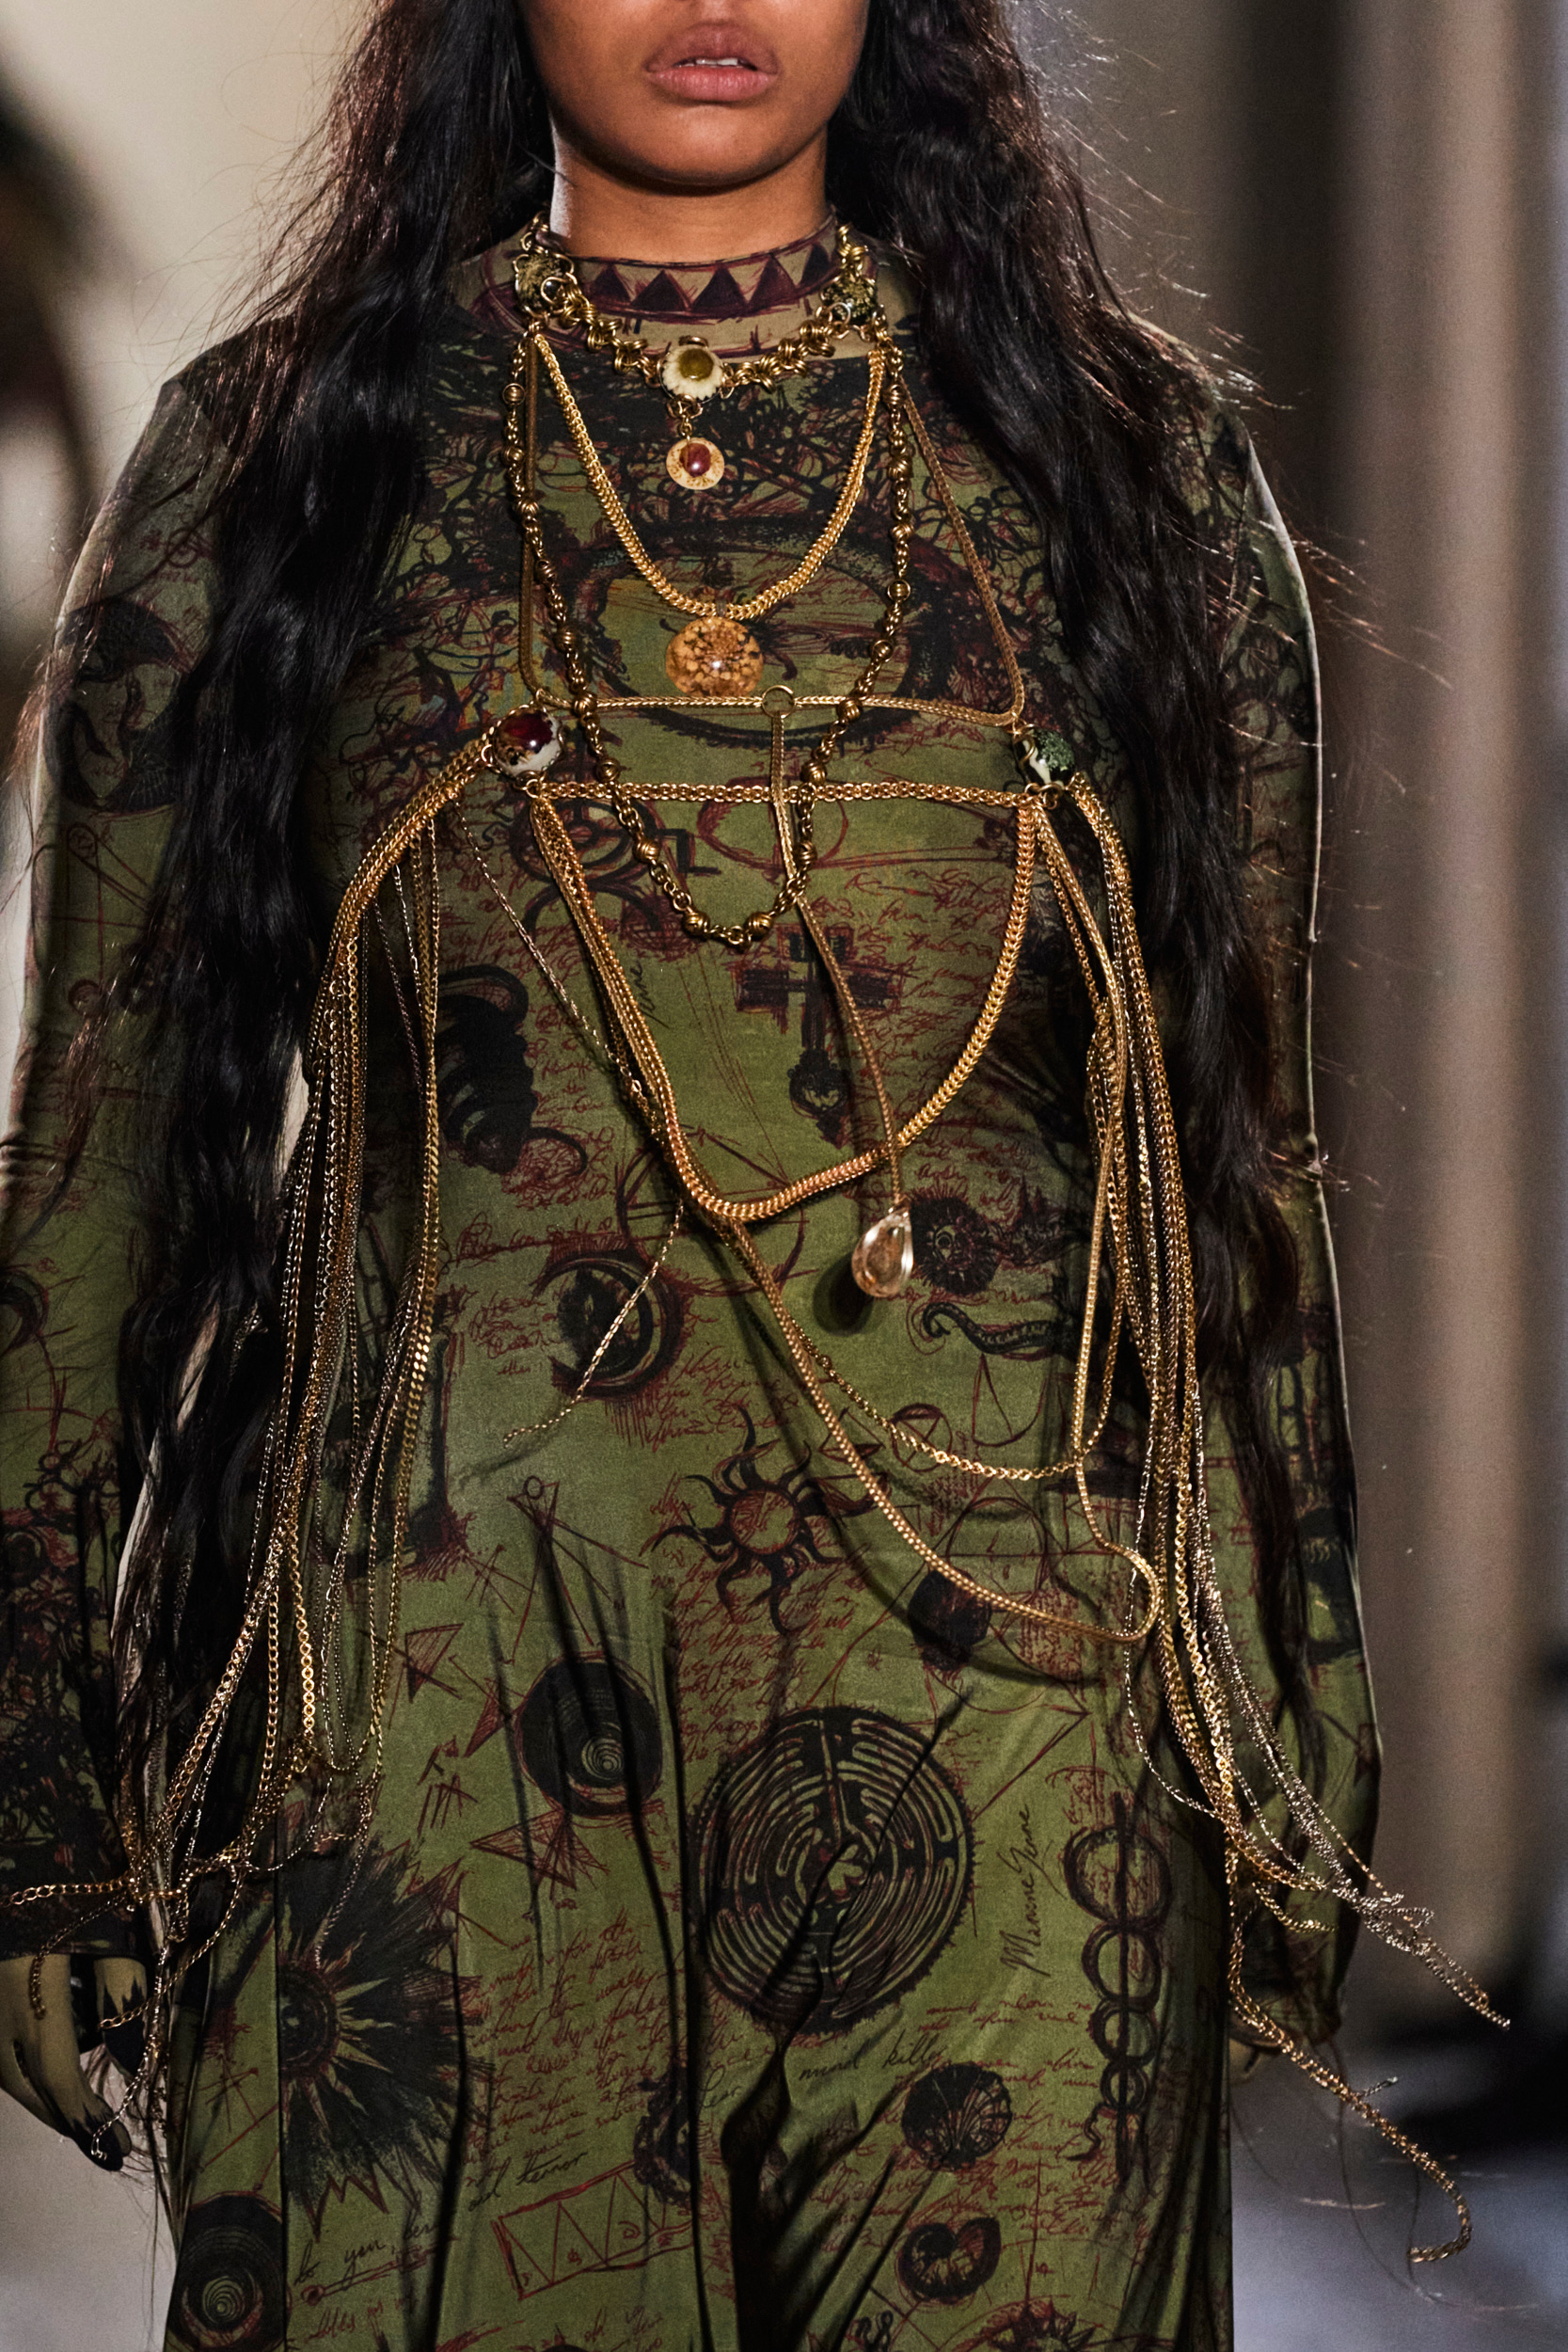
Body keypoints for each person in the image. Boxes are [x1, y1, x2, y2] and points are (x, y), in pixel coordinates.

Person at [0, 0, 1452, 2343]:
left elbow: (1238, 1177)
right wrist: (37, 1792)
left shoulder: (1124, 469)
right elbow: (93, 1168)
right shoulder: (283, 464)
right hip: (435, 1748)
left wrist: (1291, 1709)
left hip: (1020, 1742)